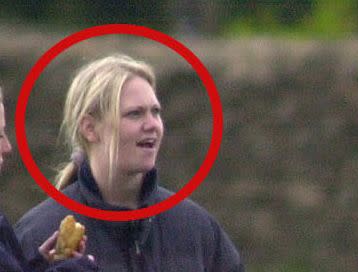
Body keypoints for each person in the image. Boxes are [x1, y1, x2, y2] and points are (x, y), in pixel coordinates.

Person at [15, 55, 244, 271]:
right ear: (90, 128)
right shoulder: (39, 235)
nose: (152, 124)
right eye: (135, 114)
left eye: (155, 112)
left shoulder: (195, 229)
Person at [0, 87, 98, 271]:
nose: (7, 147)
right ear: (88, 128)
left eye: (155, 112)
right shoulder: (36, 226)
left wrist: (38, 265)